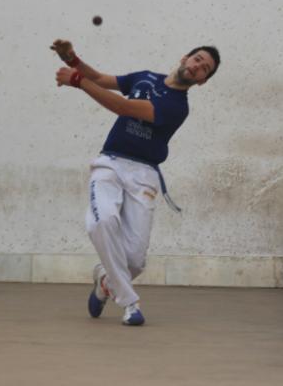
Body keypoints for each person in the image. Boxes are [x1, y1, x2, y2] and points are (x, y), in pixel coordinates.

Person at [51, 39, 221, 326]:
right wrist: (73, 60)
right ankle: (131, 304)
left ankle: (105, 281)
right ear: (185, 57)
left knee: (135, 261)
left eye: (204, 69)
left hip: (144, 175)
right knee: (101, 221)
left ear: (202, 81)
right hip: (110, 164)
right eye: (197, 59)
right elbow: (101, 79)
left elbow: (124, 108)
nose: (197, 67)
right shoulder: (145, 77)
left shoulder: (178, 107)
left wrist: (78, 81)